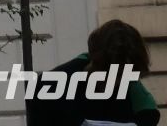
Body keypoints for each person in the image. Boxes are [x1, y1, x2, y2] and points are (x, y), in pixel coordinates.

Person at [28, 20, 159, 126]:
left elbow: (149, 115)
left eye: (123, 77)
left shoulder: (135, 92)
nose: (115, 83)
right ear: (96, 62)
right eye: (111, 74)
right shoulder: (49, 86)